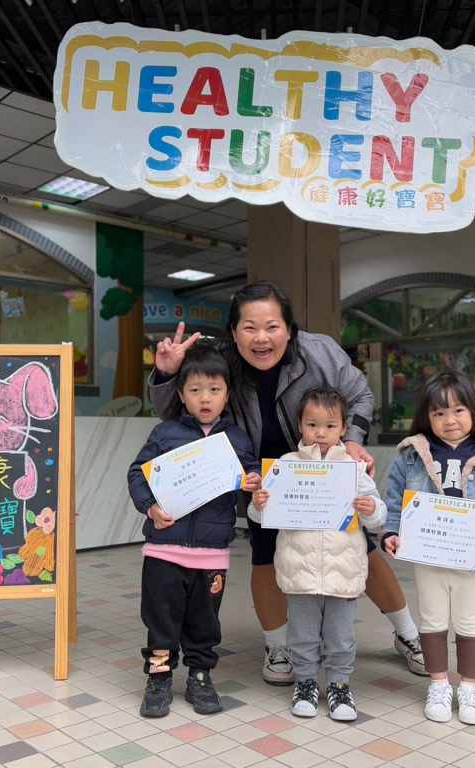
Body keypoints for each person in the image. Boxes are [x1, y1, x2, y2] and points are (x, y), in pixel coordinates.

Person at [148, 281, 425, 686]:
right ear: (233, 332)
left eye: (272, 326)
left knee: (359, 549)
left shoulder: (320, 351)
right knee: (265, 553)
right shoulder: (219, 359)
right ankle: (278, 647)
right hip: (263, 478)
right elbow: (174, 411)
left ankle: (409, 635)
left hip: (323, 472)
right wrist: (166, 372)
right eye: (249, 327)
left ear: (289, 329)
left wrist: (351, 440)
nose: (261, 338)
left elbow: (361, 396)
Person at [127, 345, 261, 718]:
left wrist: (253, 480)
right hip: (163, 549)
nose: (205, 398)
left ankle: (200, 676)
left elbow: (252, 473)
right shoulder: (165, 433)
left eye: (214, 390)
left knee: (204, 622)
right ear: (181, 394)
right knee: (161, 618)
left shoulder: (237, 439)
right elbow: (138, 473)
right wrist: (149, 506)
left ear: (227, 395)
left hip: (211, 554)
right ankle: (159, 677)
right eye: (196, 390)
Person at [380, 371, 475, 726]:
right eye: (439, 413)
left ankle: (469, 687)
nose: (450, 420)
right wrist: (391, 532)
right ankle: (439, 684)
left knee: (469, 620)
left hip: (473, 557)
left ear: (473, 411)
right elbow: (395, 499)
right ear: (426, 418)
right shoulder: (412, 455)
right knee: (432, 619)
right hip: (428, 554)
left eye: (458, 410)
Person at [249, 388, 384, 721]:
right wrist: (258, 505)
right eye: (312, 425)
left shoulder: (354, 469)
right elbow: (261, 516)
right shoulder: (285, 466)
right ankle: (306, 683)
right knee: (302, 635)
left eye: (330, 426)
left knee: (341, 636)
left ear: (344, 428)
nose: (320, 433)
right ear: (300, 425)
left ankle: (339, 685)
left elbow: (379, 517)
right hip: (300, 570)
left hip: (343, 570)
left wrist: (371, 510)